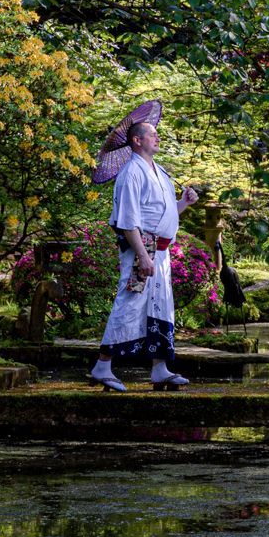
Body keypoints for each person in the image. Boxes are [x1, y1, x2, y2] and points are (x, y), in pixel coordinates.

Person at [88, 120, 199, 392]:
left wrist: (183, 203)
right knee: (129, 304)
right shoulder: (131, 173)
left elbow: (163, 213)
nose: (157, 138)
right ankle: (102, 366)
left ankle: (160, 368)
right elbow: (128, 220)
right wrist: (142, 255)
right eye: (153, 135)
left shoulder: (159, 171)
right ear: (137, 140)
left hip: (160, 252)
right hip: (143, 250)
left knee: (160, 306)